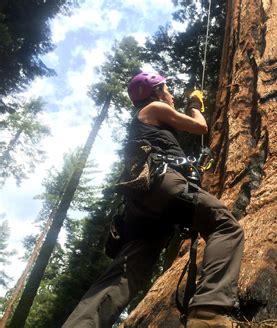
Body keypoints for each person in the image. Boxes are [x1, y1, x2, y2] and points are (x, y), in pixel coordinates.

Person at [63, 72, 244, 328]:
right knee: (224, 224)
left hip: (142, 204)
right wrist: (194, 105)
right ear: (156, 91)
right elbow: (200, 126)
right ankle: (208, 314)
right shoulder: (155, 107)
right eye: (167, 89)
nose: (170, 95)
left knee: (127, 273)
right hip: (161, 184)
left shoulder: (145, 119)